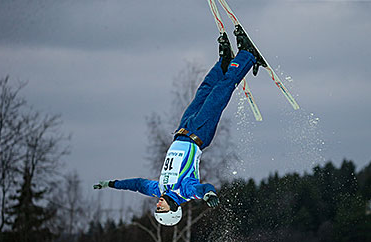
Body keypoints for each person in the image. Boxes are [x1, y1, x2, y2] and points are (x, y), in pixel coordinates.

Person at [93, 26, 266, 226]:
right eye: (161, 208)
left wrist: (112, 184)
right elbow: (202, 188)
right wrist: (209, 194)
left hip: (183, 129)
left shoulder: (160, 189)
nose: (158, 204)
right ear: (174, 209)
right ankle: (248, 55)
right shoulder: (184, 191)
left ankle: (224, 62)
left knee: (204, 90)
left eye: (157, 207)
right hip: (200, 133)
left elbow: (138, 185)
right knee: (221, 91)